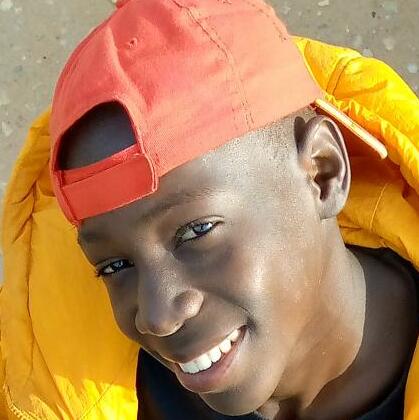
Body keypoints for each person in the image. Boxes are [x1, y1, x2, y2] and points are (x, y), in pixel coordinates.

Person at [1, 0, 418, 419]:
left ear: (322, 173)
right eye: (114, 266)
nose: (158, 317)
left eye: (196, 232)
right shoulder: (83, 389)